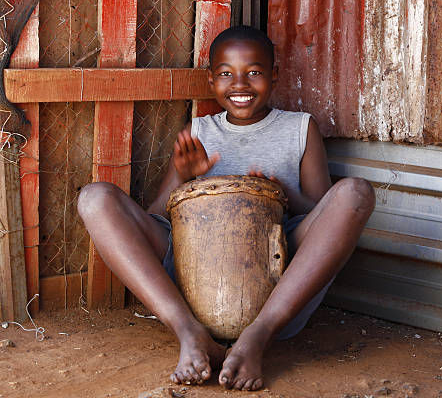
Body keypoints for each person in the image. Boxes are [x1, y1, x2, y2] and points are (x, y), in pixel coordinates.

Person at [78, 25, 375, 391]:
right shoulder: (201, 131)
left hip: (277, 274)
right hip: (194, 276)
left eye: (254, 72)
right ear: (211, 78)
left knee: (355, 193)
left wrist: (281, 192)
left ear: (274, 74)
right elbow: (156, 215)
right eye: (225, 74)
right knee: (94, 198)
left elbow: (322, 210)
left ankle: (256, 337)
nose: (240, 84)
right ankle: (188, 332)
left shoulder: (299, 129)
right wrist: (184, 177)